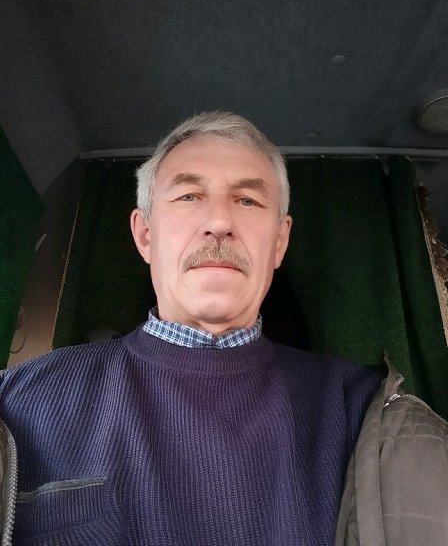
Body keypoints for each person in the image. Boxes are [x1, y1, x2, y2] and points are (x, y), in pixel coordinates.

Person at [0, 111, 446, 546]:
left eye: (247, 200)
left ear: (279, 241)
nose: (219, 222)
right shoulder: (19, 404)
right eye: (188, 196)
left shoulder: (366, 414)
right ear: (145, 235)